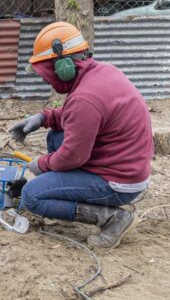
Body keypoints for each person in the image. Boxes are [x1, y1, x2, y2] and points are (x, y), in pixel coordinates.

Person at [10, 21, 153, 248]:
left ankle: (113, 218)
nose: (45, 79)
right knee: (55, 135)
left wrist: (41, 165)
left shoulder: (85, 99)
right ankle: (64, 193)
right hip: (124, 166)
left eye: (45, 72)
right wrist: (43, 118)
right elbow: (75, 117)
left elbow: (72, 156)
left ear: (63, 66)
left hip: (119, 182)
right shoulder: (102, 72)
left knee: (32, 196)